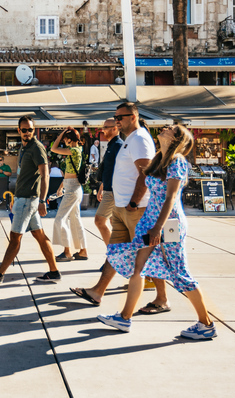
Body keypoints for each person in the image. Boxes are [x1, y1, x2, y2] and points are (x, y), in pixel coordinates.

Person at [98, 124, 217, 340]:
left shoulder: (178, 161)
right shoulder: (160, 158)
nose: (163, 128)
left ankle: (206, 324)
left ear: (176, 138)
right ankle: (124, 317)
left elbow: (171, 197)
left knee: (179, 273)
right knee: (139, 268)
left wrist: (157, 227)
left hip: (168, 224)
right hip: (150, 221)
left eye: (170, 128)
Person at [69, 102, 166, 309]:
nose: (117, 121)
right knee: (116, 251)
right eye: (116, 117)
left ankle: (162, 299)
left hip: (135, 208)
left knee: (148, 252)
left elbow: (145, 172)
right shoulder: (129, 140)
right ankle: (97, 292)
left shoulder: (139, 139)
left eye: (120, 117)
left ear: (133, 117)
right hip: (123, 207)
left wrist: (133, 202)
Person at [0, 115, 60, 284]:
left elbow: (45, 174)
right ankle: (54, 272)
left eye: (30, 129)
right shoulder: (24, 148)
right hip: (22, 198)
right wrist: (15, 197)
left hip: (28, 200)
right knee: (40, 236)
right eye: (24, 130)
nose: (27, 132)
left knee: (15, 238)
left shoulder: (37, 148)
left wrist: (43, 201)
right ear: (19, 131)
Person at [50, 127, 88, 262]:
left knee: (60, 219)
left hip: (72, 189)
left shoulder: (73, 150)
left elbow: (53, 148)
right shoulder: (78, 150)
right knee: (76, 220)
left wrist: (60, 134)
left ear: (70, 139)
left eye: (65, 139)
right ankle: (83, 251)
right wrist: (61, 187)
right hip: (73, 187)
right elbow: (70, 173)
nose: (63, 141)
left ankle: (67, 252)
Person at [93, 119, 122, 251]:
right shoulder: (111, 145)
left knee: (100, 221)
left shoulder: (118, 146)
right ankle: (116, 254)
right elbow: (108, 170)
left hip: (114, 191)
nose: (102, 129)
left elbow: (120, 170)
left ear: (115, 128)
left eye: (106, 127)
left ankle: (113, 254)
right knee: (112, 223)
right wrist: (101, 188)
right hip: (109, 189)